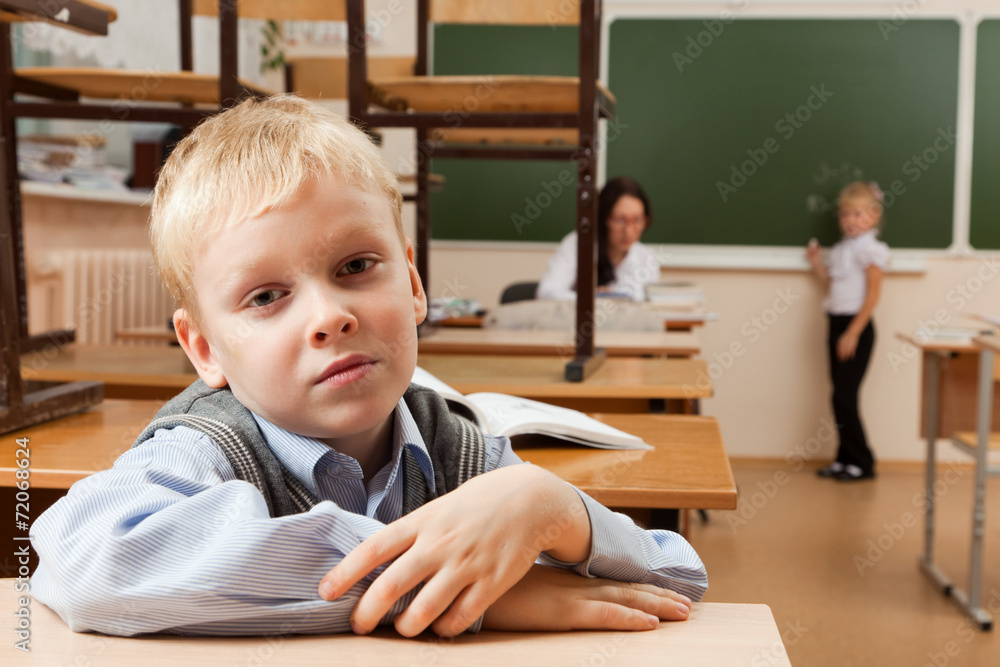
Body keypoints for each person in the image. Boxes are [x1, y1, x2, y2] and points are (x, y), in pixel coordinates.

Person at [29, 95, 707, 638]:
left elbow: (677, 578)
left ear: (413, 284)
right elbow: (88, 556)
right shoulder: (210, 445)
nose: (329, 315)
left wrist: (551, 506)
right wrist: (448, 586)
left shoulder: (458, 450)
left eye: (355, 266)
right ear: (204, 349)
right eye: (266, 296)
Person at [806, 181, 889, 481]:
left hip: (857, 327)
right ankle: (844, 459)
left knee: (845, 397)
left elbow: (873, 295)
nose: (850, 220)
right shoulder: (842, 249)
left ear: (874, 216)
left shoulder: (871, 250)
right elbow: (833, 284)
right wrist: (816, 263)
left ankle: (862, 462)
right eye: (845, 214)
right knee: (838, 397)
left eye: (858, 214)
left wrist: (853, 332)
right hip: (836, 323)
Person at [536, 176, 660, 301]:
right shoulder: (578, 244)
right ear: (603, 218)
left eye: (637, 220)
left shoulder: (646, 258)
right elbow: (546, 293)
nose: (628, 231)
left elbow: (649, 303)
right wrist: (591, 299)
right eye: (619, 220)